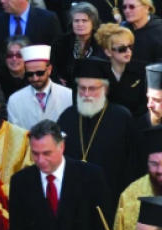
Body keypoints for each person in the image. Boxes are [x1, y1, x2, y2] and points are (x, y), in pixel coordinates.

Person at [57, 59, 137, 199]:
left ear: (105, 89)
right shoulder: (67, 117)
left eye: (92, 88)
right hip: (74, 196)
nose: (86, 94)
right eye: (82, 88)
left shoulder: (122, 118)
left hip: (111, 195)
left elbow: (131, 164)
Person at [7, 44, 71, 128]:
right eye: (30, 74)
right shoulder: (15, 100)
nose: (35, 78)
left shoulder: (68, 96)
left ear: (49, 69)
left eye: (40, 73)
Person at [96, 23, 146, 116]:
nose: (128, 51)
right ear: (108, 52)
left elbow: (144, 106)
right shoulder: (99, 75)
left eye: (130, 46)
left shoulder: (141, 71)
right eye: (122, 48)